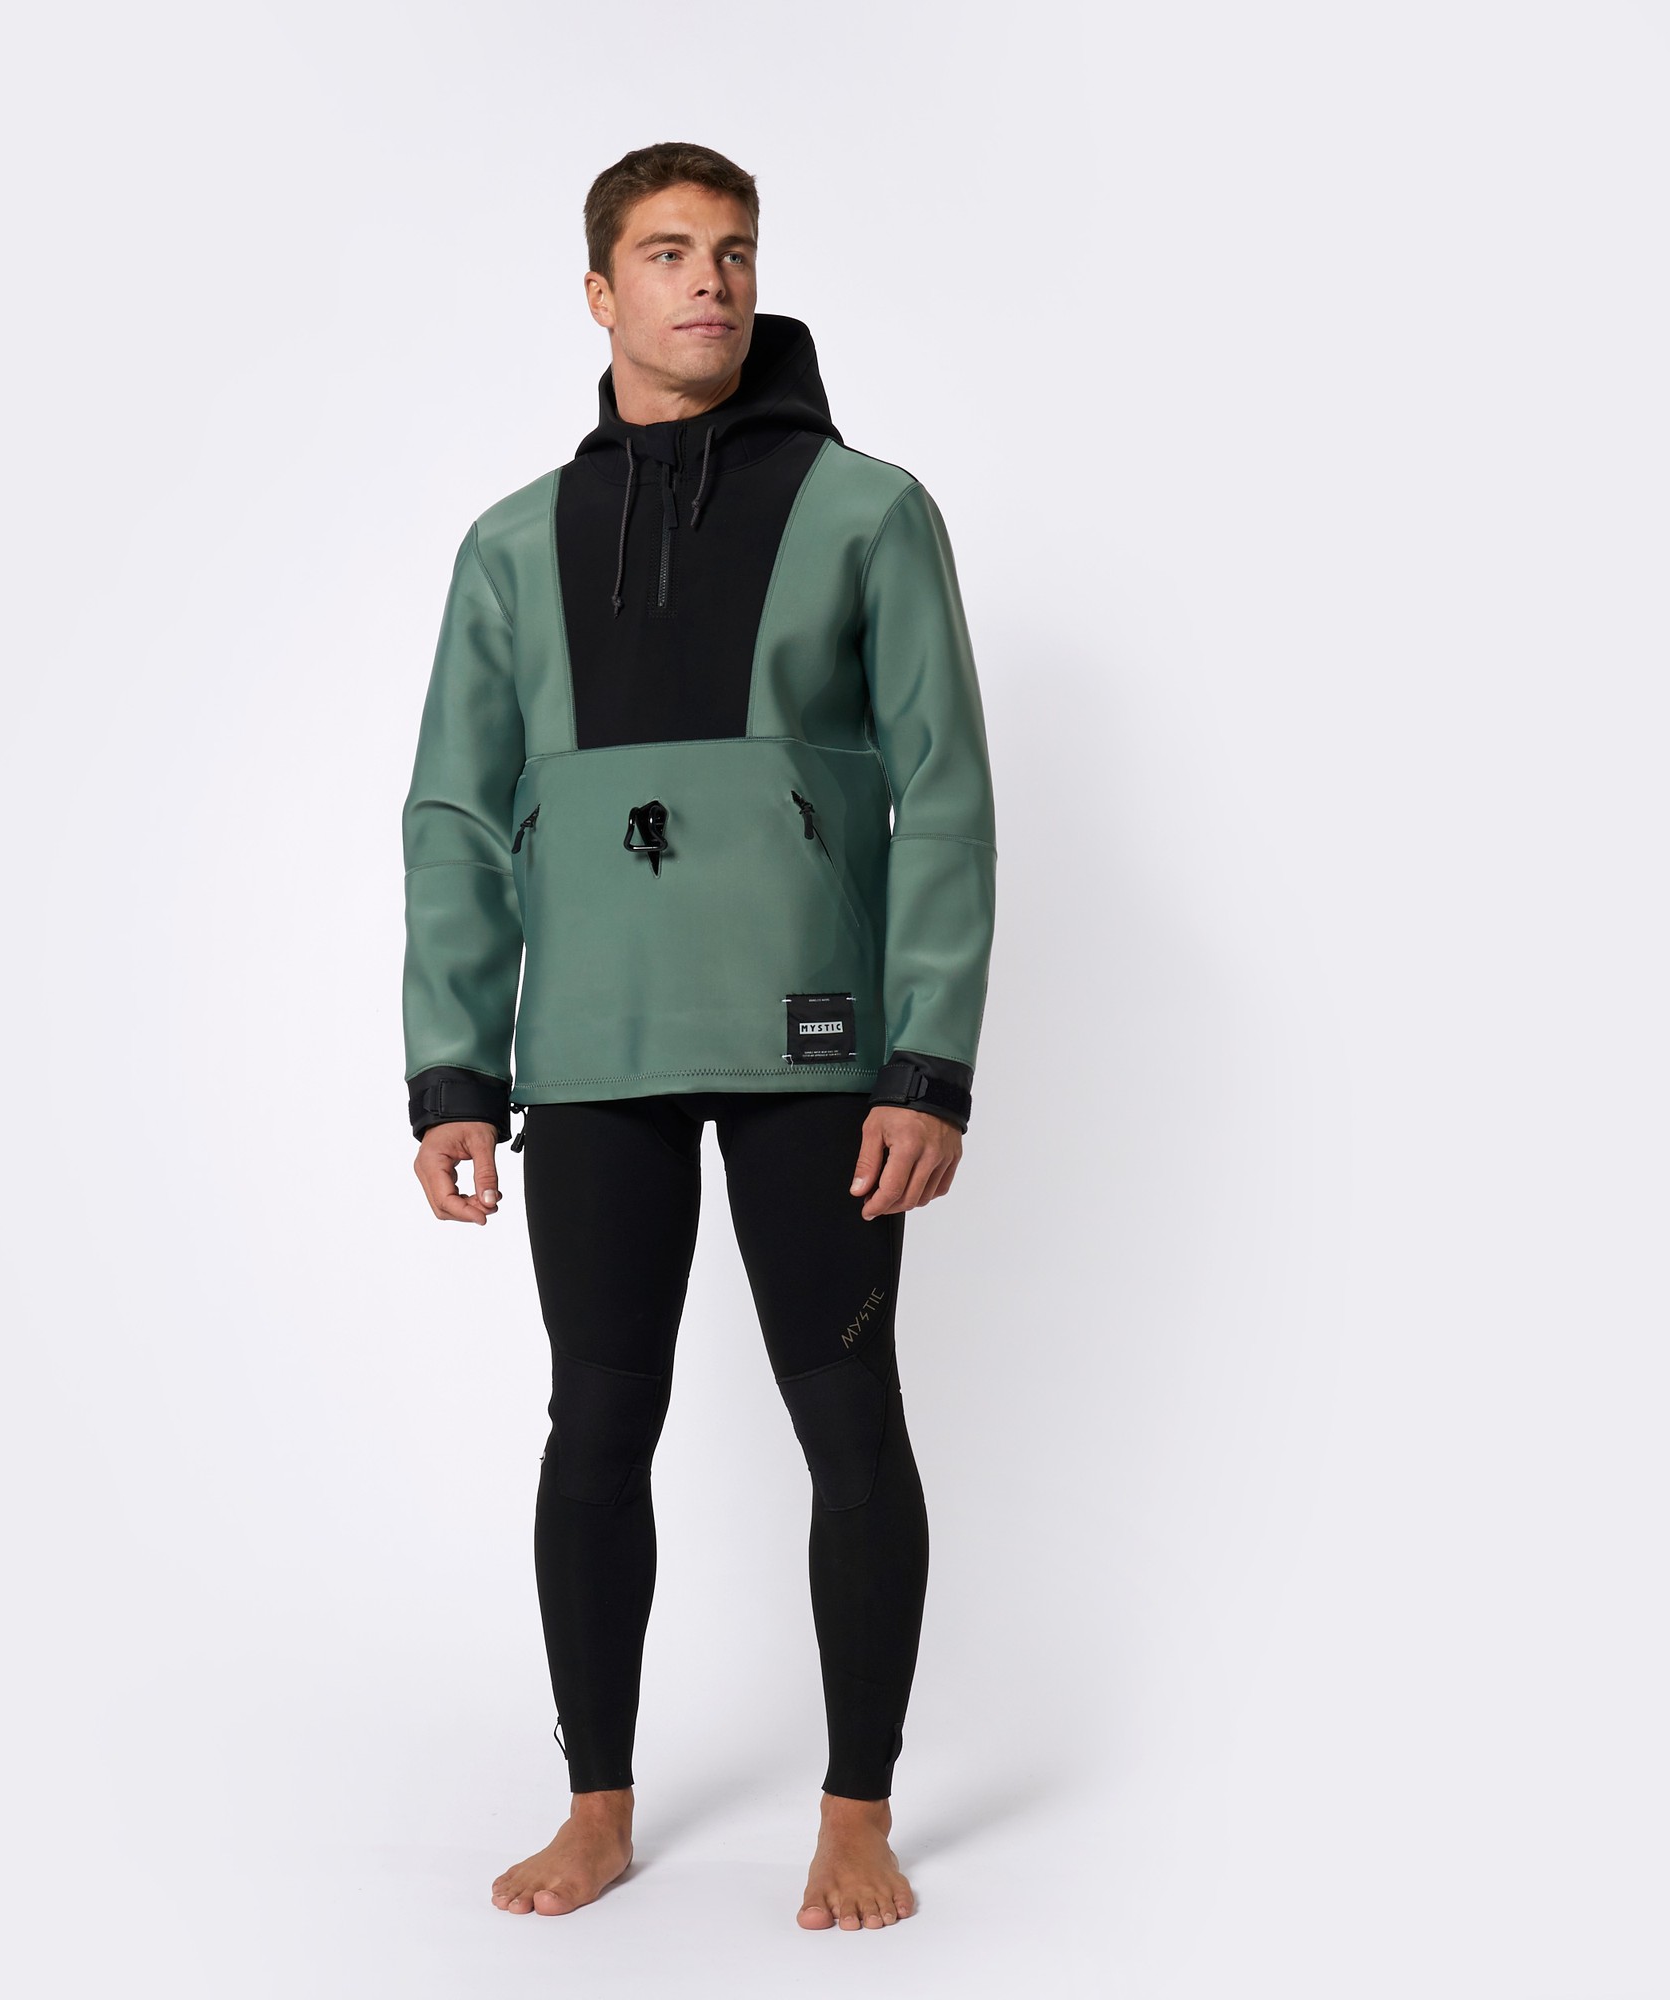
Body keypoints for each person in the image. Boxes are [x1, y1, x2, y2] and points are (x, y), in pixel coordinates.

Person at [399, 140, 997, 1931]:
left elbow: (945, 794)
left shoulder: (869, 511)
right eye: (667, 253)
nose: (709, 281)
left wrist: (927, 1062)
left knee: (849, 1418)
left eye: (733, 251)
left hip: (816, 1048)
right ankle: (596, 1805)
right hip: (591, 1054)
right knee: (596, 1422)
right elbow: (456, 812)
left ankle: (857, 1809)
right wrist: (453, 1069)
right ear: (601, 293)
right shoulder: (512, 544)